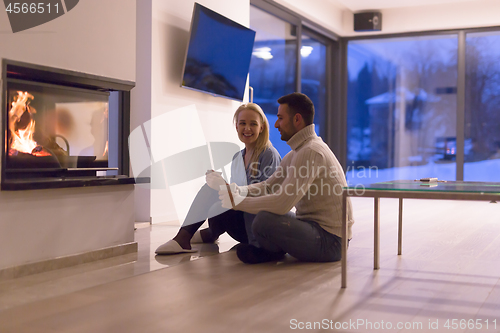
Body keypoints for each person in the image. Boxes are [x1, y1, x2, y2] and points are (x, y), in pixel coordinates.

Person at [217, 92, 355, 264]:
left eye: (280, 118)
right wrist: (236, 191)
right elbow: (269, 186)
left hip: (332, 242)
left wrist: (236, 202)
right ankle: (271, 252)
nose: (275, 124)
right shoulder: (298, 151)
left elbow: (282, 203)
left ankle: (270, 252)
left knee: (264, 219)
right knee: (263, 217)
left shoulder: (310, 151)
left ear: (297, 120)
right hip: (312, 228)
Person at [155, 103, 281, 254]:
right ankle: (205, 234)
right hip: (242, 222)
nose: (247, 128)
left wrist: (223, 187)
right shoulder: (237, 157)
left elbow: (265, 195)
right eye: (242, 123)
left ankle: (187, 237)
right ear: (236, 127)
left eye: (253, 124)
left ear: (261, 128)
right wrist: (221, 184)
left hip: (257, 228)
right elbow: (237, 194)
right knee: (214, 192)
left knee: (215, 194)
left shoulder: (269, 154)